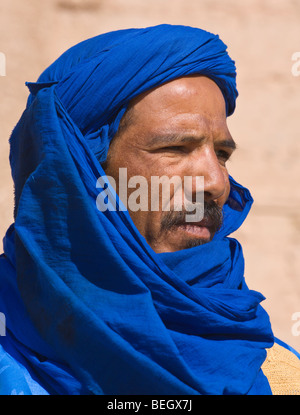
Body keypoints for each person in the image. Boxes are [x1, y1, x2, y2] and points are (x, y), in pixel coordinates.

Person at [0, 24, 299, 395]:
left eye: (221, 154)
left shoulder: (280, 374)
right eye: (175, 149)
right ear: (81, 172)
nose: (217, 183)